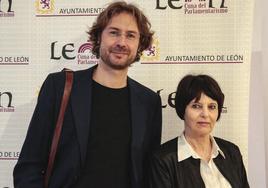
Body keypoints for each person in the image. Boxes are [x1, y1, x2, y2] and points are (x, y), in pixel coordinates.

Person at [13, 1, 162, 188]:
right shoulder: (59, 87)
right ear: (99, 37)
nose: (121, 42)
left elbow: (149, 173)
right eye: (114, 32)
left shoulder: (149, 102)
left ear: (140, 44)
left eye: (130, 35)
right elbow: (29, 166)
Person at [149, 74, 249, 188]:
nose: (205, 114)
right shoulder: (163, 159)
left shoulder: (231, 152)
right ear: (182, 109)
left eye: (212, 107)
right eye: (196, 106)